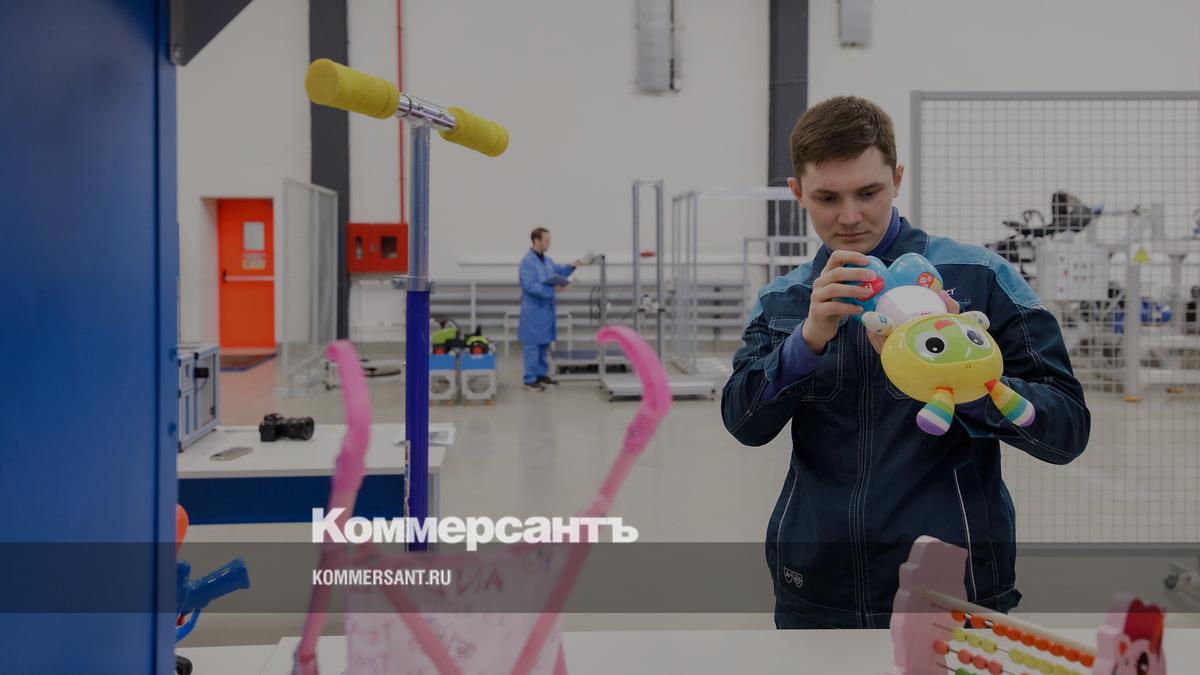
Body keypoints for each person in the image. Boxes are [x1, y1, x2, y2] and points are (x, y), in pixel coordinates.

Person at [721, 96, 1091, 629]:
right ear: (798, 192)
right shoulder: (786, 299)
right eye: (827, 197)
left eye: (868, 192)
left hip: (954, 588)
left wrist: (958, 378)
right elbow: (744, 423)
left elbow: (1067, 430)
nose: (850, 216)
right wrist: (807, 341)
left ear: (896, 179)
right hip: (817, 588)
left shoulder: (981, 278)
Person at [518, 228, 584, 392]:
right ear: (536, 241)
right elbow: (529, 285)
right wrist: (552, 290)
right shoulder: (527, 262)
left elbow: (558, 272)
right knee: (532, 345)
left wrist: (571, 266)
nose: (549, 244)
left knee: (544, 344)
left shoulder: (547, 261)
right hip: (534, 310)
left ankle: (541, 375)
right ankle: (529, 379)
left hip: (546, 310)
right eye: (546, 241)